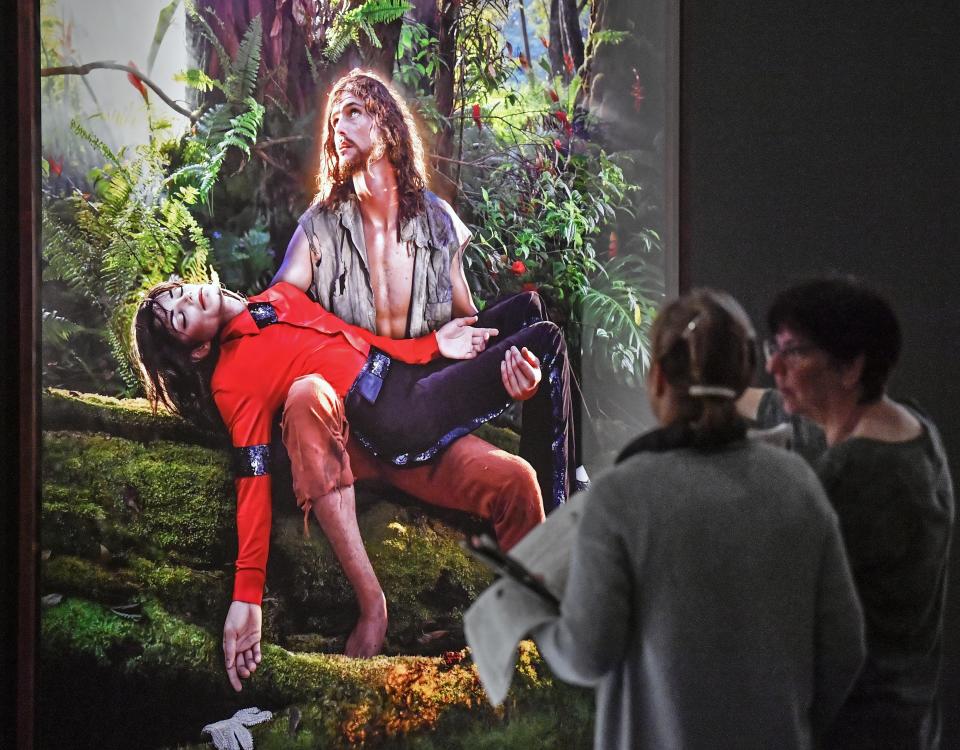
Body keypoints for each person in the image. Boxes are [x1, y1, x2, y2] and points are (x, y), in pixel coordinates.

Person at [131, 278, 574, 691]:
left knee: (527, 325)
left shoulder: (280, 296)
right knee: (546, 340)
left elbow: (360, 341)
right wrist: (246, 595)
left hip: (404, 389)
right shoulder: (231, 379)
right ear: (197, 349)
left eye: (182, 294)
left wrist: (432, 345)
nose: (189, 301)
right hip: (381, 427)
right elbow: (252, 477)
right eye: (181, 318)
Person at [531, 288, 866, 749]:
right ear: (745, 372)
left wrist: (542, 611)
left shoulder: (621, 495)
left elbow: (584, 657)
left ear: (658, 378)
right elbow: (845, 649)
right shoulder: (797, 485)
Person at [272, 67, 584, 515]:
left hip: (428, 385)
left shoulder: (437, 221)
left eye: (354, 113)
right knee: (549, 341)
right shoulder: (319, 226)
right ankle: (565, 517)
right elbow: (279, 311)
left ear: (388, 126)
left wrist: (519, 380)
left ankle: (569, 481)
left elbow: (469, 326)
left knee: (530, 313)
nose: (339, 127)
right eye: (334, 121)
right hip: (371, 404)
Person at [744, 277, 955, 749]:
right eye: (773, 348)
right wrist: (706, 390)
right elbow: (778, 405)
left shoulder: (853, 473)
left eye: (794, 353)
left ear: (851, 366)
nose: (774, 366)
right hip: (911, 717)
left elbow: (777, 603)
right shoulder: (911, 427)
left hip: (856, 726)